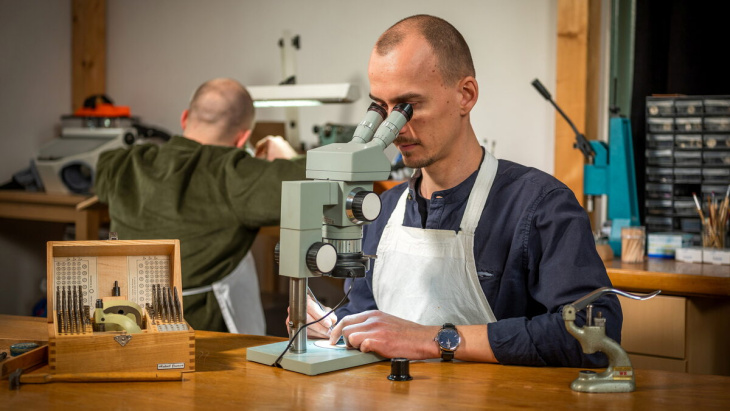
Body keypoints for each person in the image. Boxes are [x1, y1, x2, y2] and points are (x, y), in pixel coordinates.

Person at [301, 15, 621, 367]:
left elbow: (594, 333)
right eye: (382, 108)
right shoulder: (382, 210)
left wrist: (435, 339)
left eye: (410, 106)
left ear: (465, 95)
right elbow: (371, 317)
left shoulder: (539, 205)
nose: (395, 128)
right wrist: (335, 326)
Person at [95, 78, 306, 334]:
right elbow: (313, 179)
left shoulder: (125, 163)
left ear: (184, 119)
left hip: (123, 326)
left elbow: (102, 171)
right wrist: (287, 155)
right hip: (199, 337)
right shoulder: (233, 174)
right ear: (243, 139)